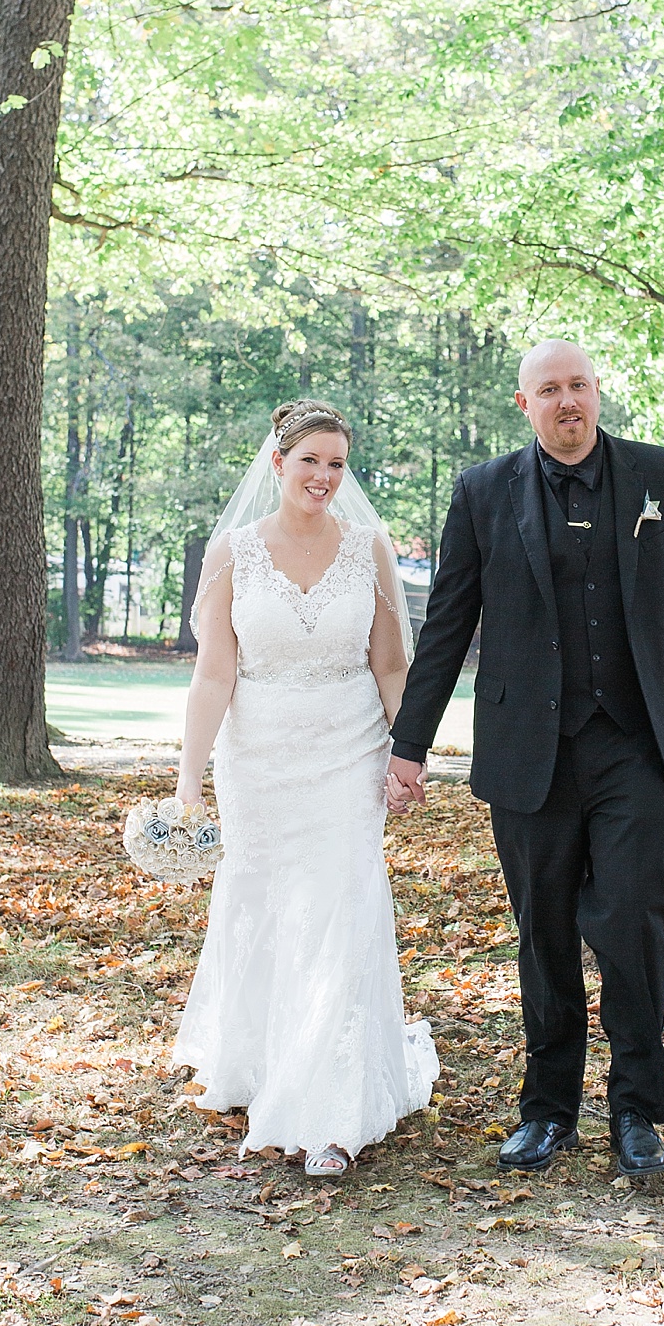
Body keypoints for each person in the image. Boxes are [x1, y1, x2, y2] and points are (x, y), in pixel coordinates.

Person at [386, 341, 664, 1179]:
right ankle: (548, 1109)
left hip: (636, 745)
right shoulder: (484, 493)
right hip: (531, 753)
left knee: (634, 924)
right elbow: (447, 624)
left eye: (580, 386)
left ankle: (637, 1110)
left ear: (599, 394)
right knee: (545, 934)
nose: (568, 402)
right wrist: (408, 746)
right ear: (525, 405)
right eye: (550, 390)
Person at [172, 400, 438, 1179]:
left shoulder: (370, 549)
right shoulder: (234, 552)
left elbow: (391, 663)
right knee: (262, 903)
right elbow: (214, 672)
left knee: (341, 906)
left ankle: (331, 1103)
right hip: (257, 761)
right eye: (310, 460)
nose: (324, 477)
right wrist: (189, 782)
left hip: (347, 755)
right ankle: (258, 1064)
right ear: (279, 461)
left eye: (337, 464)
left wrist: (407, 755)